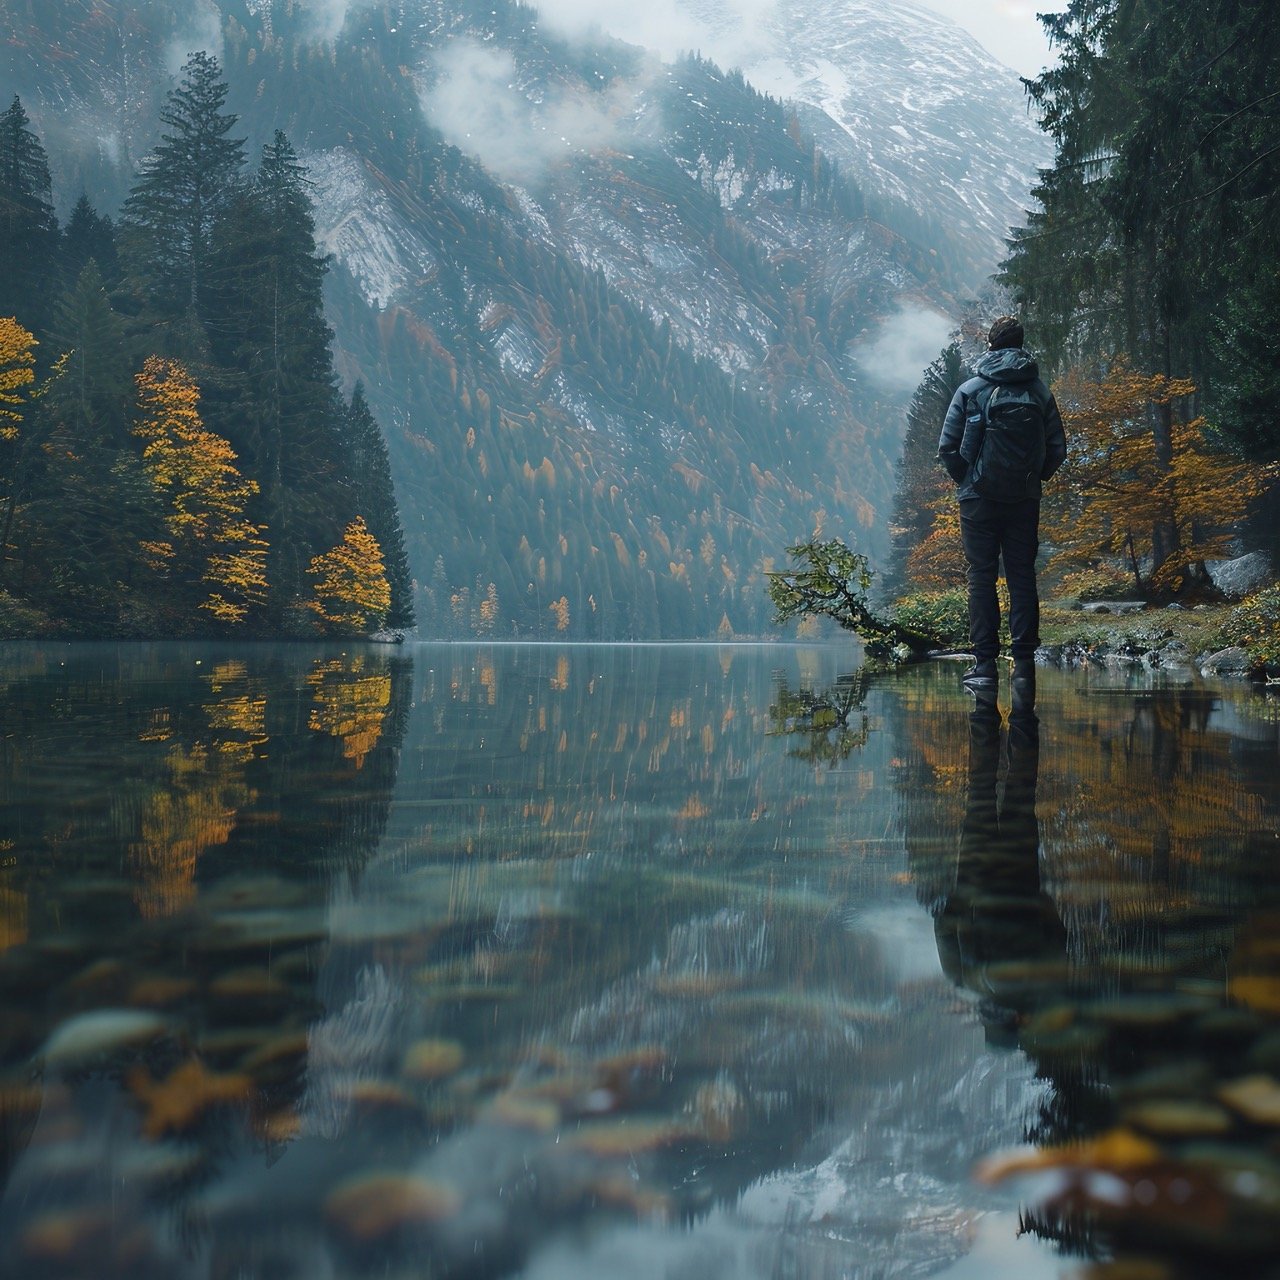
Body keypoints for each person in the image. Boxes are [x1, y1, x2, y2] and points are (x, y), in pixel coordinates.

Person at [937, 317, 1066, 693]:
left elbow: (947, 448)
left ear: (991, 347)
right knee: (1022, 576)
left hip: (978, 499)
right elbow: (1057, 448)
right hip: (1024, 499)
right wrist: (1032, 481)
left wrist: (968, 480)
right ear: (1021, 346)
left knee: (981, 575)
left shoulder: (970, 389)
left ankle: (984, 666)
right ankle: (1024, 667)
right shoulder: (1040, 392)